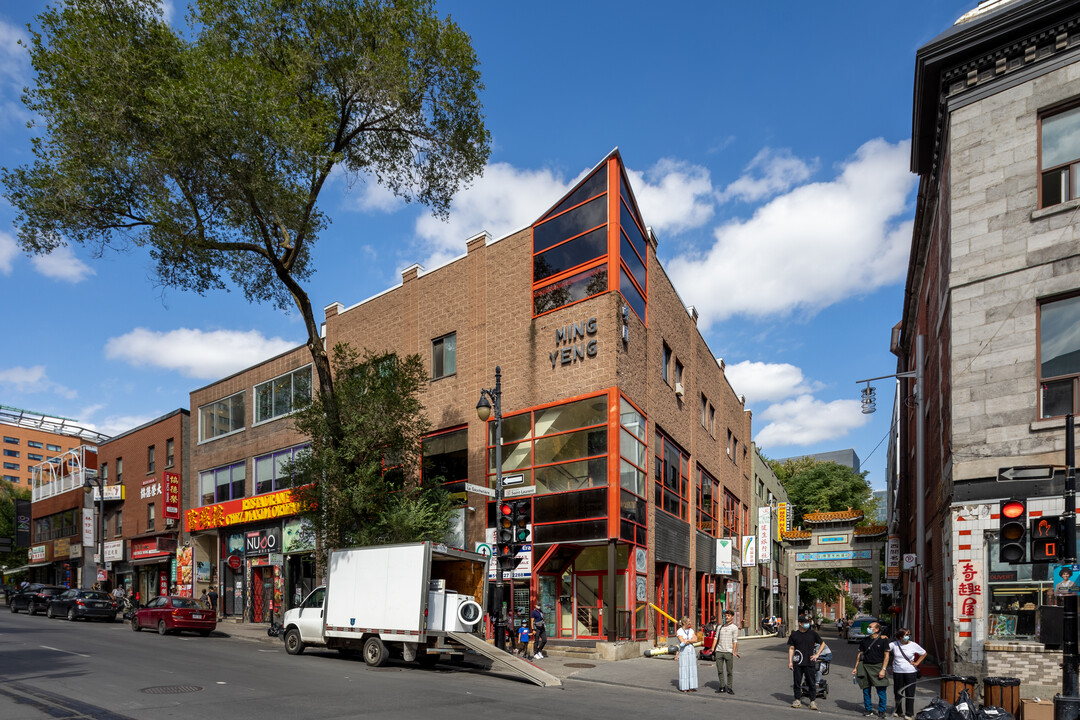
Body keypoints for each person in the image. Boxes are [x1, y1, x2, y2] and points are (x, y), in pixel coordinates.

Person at [853, 620, 891, 718]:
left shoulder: (884, 640)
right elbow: (859, 655)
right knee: (866, 690)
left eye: (870, 627)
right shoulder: (864, 640)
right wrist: (856, 667)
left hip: (878, 667)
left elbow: (886, 656)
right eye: (868, 627)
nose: (868, 628)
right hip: (865, 666)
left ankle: (882, 711)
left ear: (877, 629)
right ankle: (868, 709)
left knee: (881, 691)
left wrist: (883, 669)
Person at [887, 628, 925, 720]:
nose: (908, 636)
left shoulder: (913, 645)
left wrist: (917, 663)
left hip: (910, 672)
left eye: (909, 634)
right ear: (900, 636)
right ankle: (898, 711)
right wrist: (883, 638)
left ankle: (909, 713)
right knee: (898, 692)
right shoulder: (894, 644)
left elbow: (923, 653)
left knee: (910, 693)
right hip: (898, 672)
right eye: (906, 634)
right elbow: (885, 648)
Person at [787, 615, 824, 710]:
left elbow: (823, 643)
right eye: (805, 623)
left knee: (811, 682)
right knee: (797, 682)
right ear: (800, 623)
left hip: (809, 662)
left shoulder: (812, 634)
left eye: (808, 622)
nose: (808, 624)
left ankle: (812, 701)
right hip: (797, 662)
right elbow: (791, 648)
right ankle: (797, 700)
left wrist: (817, 655)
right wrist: (790, 662)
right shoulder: (794, 635)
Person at [714, 609, 740, 695]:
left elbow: (735, 640)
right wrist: (712, 648)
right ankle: (722, 687)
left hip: (728, 652)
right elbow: (716, 638)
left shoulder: (734, 628)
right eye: (725, 616)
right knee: (720, 670)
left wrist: (733, 651)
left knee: (729, 671)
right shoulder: (720, 627)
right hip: (719, 651)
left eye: (728, 616)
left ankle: (729, 687)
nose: (726, 617)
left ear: (732, 617)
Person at [675, 616, 698, 692]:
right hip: (683, 651)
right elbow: (682, 642)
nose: (690, 623)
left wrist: (687, 641)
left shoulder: (691, 630)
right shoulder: (679, 631)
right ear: (684, 623)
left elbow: (696, 639)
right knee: (684, 668)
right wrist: (691, 640)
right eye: (689, 621)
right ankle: (684, 687)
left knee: (692, 668)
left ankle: (691, 686)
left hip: (691, 651)